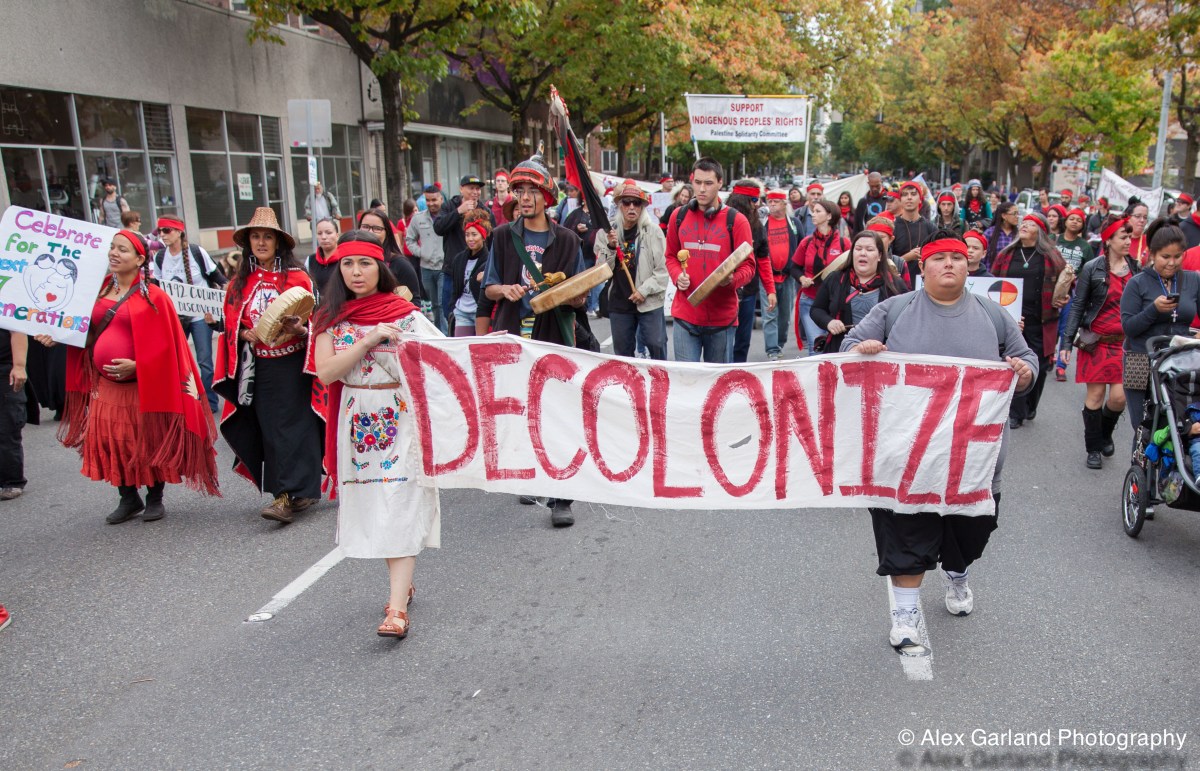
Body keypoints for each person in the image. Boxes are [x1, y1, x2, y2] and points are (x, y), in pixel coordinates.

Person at [842, 235, 1037, 653]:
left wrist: (1023, 372)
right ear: (922, 268)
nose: (949, 264)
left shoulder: (993, 314)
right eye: (939, 258)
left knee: (969, 535)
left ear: (968, 266)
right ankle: (905, 616)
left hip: (974, 460)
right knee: (905, 532)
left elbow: (1026, 359)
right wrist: (863, 350)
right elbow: (847, 349)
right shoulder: (894, 310)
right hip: (906, 457)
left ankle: (958, 571)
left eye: (957, 258)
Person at [310, 232, 442, 639]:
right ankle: (402, 586)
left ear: (380, 268)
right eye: (347, 264)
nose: (356, 272)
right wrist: (368, 339)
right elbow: (327, 372)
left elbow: (443, 358)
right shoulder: (329, 318)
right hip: (357, 421)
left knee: (399, 503)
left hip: (402, 419)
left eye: (365, 263)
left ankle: (397, 608)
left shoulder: (404, 314)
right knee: (378, 506)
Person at [57, 229, 219, 523]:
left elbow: (169, 346)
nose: (114, 253)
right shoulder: (98, 290)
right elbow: (89, 334)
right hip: (106, 385)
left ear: (140, 259)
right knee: (113, 440)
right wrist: (58, 335)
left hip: (142, 385)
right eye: (112, 247)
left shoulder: (154, 297)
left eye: (122, 249)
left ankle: (154, 498)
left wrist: (137, 365)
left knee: (146, 440)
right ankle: (128, 497)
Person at [482, 155, 584, 527]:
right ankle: (535, 475)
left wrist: (569, 293)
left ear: (547, 196)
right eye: (519, 190)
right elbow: (488, 287)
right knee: (523, 409)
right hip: (515, 333)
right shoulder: (502, 236)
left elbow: (582, 293)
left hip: (554, 332)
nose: (525, 198)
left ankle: (562, 497)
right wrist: (504, 289)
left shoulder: (568, 240)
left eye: (532, 191)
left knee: (556, 410)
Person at [213, 207, 323, 523]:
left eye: (267, 237)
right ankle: (286, 493)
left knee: (296, 428)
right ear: (248, 243)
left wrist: (299, 329)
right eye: (256, 237)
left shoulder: (298, 278)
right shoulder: (238, 284)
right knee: (270, 430)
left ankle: (291, 494)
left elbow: (316, 321)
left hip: (294, 366)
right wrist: (243, 333)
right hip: (258, 368)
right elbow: (230, 324)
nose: (261, 242)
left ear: (278, 243)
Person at [1060, 216, 1136, 469]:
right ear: (1109, 240)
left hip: (1126, 344)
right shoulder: (1093, 268)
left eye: (1130, 237)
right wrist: (1066, 343)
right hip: (1097, 342)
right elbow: (1078, 305)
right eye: (1123, 237)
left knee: (1119, 398)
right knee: (1095, 395)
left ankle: (1104, 433)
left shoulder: (1136, 268)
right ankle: (1093, 448)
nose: (1129, 241)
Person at [664, 158, 755, 363]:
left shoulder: (737, 221)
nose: (702, 189)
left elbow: (749, 266)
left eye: (708, 183)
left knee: (717, 383)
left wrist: (732, 280)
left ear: (720, 183)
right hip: (685, 317)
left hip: (721, 321)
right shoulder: (678, 216)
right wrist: (677, 276)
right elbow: (670, 256)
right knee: (687, 379)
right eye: (697, 182)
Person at [1120, 218, 1197, 447]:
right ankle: (1140, 467)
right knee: (1144, 426)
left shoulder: (1193, 280)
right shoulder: (1137, 283)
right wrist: (1153, 310)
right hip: (1140, 359)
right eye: (1165, 257)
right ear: (1152, 254)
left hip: (1179, 361)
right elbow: (1129, 327)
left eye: (1177, 256)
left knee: (1176, 423)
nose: (1172, 263)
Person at [990, 212, 1067, 428]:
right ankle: (1017, 411)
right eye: (1023, 223)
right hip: (1012, 317)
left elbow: (1066, 282)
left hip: (1041, 319)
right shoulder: (1006, 254)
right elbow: (992, 282)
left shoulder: (1052, 256)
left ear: (1040, 231)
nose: (1023, 225)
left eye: (1030, 224)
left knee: (1040, 365)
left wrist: (1064, 296)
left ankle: (1031, 404)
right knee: (1014, 361)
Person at [152, 216, 225, 413]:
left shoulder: (196, 252)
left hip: (201, 317)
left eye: (167, 231)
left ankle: (209, 402)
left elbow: (219, 278)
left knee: (204, 361)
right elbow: (156, 287)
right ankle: (182, 400)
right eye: (160, 231)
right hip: (175, 318)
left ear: (179, 232)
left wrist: (223, 301)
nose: (162, 235)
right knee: (175, 360)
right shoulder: (160, 257)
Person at [595, 179, 669, 359]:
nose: (631, 207)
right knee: (623, 355)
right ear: (619, 205)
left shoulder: (653, 232)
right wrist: (611, 247)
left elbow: (662, 271)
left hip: (649, 300)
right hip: (620, 302)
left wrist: (644, 290)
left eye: (636, 203)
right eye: (626, 203)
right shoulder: (606, 233)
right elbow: (601, 271)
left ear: (642, 207)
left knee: (656, 345)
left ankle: (660, 377)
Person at [809, 230, 908, 353]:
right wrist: (829, 322)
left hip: (882, 352)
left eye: (869, 249)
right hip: (842, 351)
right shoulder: (835, 279)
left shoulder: (895, 284)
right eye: (858, 249)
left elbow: (907, 317)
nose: (863, 253)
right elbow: (816, 309)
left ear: (880, 256)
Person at [788, 200, 850, 355]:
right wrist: (802, 279)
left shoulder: (844, 244)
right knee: (816, 347)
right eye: (813, 211)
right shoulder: (806, 242)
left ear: (829, 216)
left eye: (817, 211)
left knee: (834, 348)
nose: (813, 214)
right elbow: (794, 267)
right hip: (810, 301)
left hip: (835, 303)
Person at [434, 175, 492, 333]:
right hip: (452, 270)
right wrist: (459, 211)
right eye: (471, 188)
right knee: (448, 310)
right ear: (461, 189)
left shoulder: (485, 211)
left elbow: (492, 240)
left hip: (478, 268)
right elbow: (438, 227)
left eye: (478, 189)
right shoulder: (449, 206)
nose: (475, 192)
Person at [726, 180, 776, 363]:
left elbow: (763, 259)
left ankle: (739, 372)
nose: (757, 205)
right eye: (754, 200)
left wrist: (770, 290)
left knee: (743, 340)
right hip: (723, 291)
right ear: (741, 200)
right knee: (722, 340)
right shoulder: (721, 221)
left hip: (748, 291)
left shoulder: (757, 227)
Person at [763, 189, 800, 359]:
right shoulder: (764, 223)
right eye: (769, 202)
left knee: (785, 316)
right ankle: (772, 349)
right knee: (770, 314)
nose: (772, 205)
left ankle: (779, 344)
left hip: (788, 277)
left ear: (784, 204)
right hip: (767, 276)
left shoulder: (794, 223)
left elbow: (801, 246)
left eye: (775, 202)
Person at [359, 208, 422, 302]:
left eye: (377, 228)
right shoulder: (350, 261)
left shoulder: (400, 264)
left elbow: (414, 301)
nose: (370, 232)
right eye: (365, 227)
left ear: (387, 232)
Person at [448, 210, 491, 337]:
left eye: (474, 234)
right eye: (467, 235)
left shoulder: (490, 260)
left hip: (480, 312)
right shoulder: (459, 259)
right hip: (462, 312)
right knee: (461, 346)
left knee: (480, 347)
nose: (470, 239)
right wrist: (453, 307)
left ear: (483, 236)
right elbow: (455, 288)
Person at [0, 330, 28, 500]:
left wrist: (19, 366)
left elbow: (17, 330)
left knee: (6, 428)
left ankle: (11, 481)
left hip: (4, 371)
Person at [891, 181, 937, 281]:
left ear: (920, 199)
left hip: (924, 283)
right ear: (900, 200)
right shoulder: (892, 227)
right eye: (905, 194)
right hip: (899, 283)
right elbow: (886, 263)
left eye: (913, 194)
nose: (909, 197)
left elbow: (938, 257)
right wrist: (907, 257)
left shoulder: (931, 227)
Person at [405, 185, 443, 302]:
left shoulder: (448, 217)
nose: (431, 203)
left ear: (441, 199)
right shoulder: (418, 218)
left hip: (444, 268)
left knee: (442, 302)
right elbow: (409, 239)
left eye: (434, 200)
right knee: (434, 303)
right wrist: (421, 252)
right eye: (428, 200)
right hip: (426, 268)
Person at [306, 217, 341, 301]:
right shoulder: (310, 260)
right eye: (319, 233)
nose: (324, 237)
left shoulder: (345, 259)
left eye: (328, 233)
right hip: (318, 307)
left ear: (337, 235)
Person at [983, 202, 1019, 269]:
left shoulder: (1019, 234)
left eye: (1018, 213)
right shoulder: (989, 233)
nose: (1017, 216)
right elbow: (982, 258)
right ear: (1004, 216)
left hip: (1012, 274)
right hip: (991, 273)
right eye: (1014, 213)